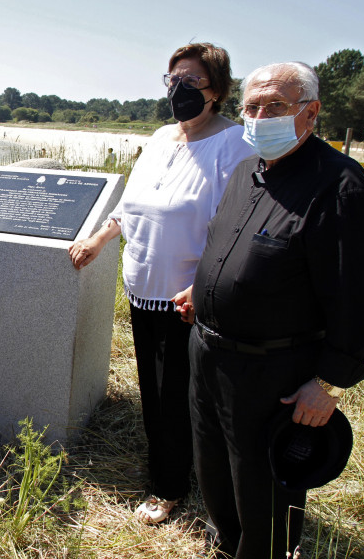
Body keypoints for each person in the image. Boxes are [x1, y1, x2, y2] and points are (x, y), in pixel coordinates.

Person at [187, 61, 364, 558]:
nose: (259, 116)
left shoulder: (340, 187)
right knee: (214, 472)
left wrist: (330, 382)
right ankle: (228, 546)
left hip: (272, 374)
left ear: (310, 113)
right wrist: (203, 291)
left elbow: (360, 299)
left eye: (274, 106)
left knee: (264, 493)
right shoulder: (246, 171)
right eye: (251, 106)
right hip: (208, 355)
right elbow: (229, 249)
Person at [68, 43, 254, 524]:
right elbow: (130, 205)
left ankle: (169, 486)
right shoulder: (158, 137)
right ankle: (177, 465)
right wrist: (99, 239)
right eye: (173, 80)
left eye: (192, 81)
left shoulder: (234, 145)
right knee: (155, 389)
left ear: (218, 90)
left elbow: (235, 226)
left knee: (177, 396)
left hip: (187, 297)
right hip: (141, 288)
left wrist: (203, 285)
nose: (180, 90)